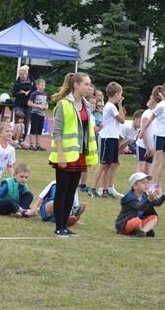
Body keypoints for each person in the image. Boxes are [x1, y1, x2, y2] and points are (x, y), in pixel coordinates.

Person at [49, 72, 98, 237]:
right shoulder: (63, 104)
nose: (89, 87)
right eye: (86, 84)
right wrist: (61, 155)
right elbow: (57, 131)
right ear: (76, 85)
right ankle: (58, 226)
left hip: (79, 154)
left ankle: (65, 224)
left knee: (72, 191)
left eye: (89, 84)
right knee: (62, 190)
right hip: (66, 154)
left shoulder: (86, 105)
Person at [141, 81, 165, 188]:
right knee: (157, 160)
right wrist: (142, 131)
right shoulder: (161, 106)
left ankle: (157, 183)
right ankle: (149, 183)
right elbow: (151, 119)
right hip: (159, 135)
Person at [115, 172, 165, 238]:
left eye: (147, 183)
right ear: (135, 186)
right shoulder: (129, 197)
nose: (147, 185)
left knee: (154, 217)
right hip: (124, 225)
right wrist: (149, 200)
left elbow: (157, 203)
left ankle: (142, 232)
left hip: (138, 222)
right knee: (136, 221)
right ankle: (136, 231)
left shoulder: (144, 195)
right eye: (143, 183)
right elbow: (140, 207)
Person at [97, 81, 126, 198]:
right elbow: (122, 120)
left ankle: (107, 189)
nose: (121, 97)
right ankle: (101, 189)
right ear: (116, 93)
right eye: (120, 94)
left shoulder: (111, 106)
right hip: (108, 138)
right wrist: (120, 105)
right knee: (105, 165)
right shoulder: (110, 106)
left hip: (112, 137)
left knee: (110, 165)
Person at [12, 65, 36, 141]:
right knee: (19, 121)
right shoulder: (17, 82)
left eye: (23, 74)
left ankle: (23, 139)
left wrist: (27, 93)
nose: (21, 76)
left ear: (27, 74)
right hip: (18, 104)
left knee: (26, 122)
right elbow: (14, 93)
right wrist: (23, 93)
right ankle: (16, 138)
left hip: (28, 105)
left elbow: (34, 91)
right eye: (20, 74)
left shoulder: (32, 81)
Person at [27, 78, 48, 151]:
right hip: (35, 113)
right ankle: (32, 144)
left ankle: (38, 144)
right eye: (41, 85)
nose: (43, 87)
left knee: (39, 130)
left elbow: (46, 103)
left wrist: (46, 106)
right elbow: (29, 103)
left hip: (42, 114)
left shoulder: (45, 94)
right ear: (37, 85)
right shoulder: (34, 94)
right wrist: (38, 106)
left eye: (44, 85)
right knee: (33, 129)